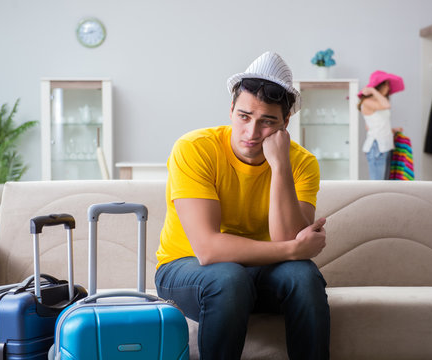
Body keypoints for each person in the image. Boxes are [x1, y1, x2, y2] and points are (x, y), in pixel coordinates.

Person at [155, 51, 330, 360]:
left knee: (303, 277)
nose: (251, 133)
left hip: (258, 272)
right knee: (229, 276)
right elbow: (208, 250)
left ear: (286, 122)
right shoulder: (195, 149)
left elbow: (285, 236)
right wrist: (293, 250)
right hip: (186, 268)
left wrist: (280, 167)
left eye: (267, 122)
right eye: (244, 117)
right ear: (231, 109)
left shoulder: (302, 163)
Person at [358, 70, 405, 180]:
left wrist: (392, 130)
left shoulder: (377, 103)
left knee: (384, 183)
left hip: (385, 146)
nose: (388, 88)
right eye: (386, 85)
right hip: (376, 147)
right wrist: (373, 91)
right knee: (378, 185)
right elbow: (386, 105)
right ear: (379, 86)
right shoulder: (367, 102)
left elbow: (370, 126)